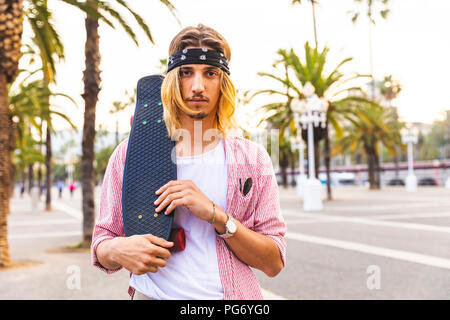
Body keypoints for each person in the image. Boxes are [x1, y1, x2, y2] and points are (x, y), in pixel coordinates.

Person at [91, 24, 286, 300]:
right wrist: (117, 250)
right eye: (186, 73)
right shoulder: (131, 154)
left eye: (210, 73)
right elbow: (102, 240)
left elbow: (273, 261)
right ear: (172, 80)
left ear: (223, 83)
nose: (197, 86)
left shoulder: (252, 159)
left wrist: (214, 214)